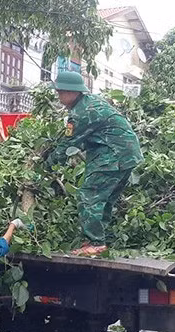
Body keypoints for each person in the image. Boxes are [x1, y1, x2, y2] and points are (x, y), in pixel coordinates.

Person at [45, 71, 143, 256]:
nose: (58, 96)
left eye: (60, 92)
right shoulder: (89, 103)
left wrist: (46, 167)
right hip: (127, 154)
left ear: (72, 92)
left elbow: (68, 144)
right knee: (105, 199)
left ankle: (96, 243)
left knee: (89, 196)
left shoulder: (82, 113)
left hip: (113, 155)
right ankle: (100, 239)